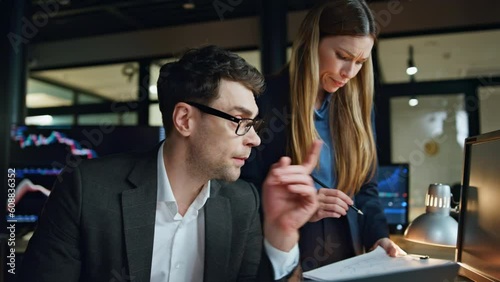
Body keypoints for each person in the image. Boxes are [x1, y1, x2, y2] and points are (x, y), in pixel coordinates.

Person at [18, 45, 322, 282]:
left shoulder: (243, 201)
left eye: (254, 123)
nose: (254, 139)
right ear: (184, 119)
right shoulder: (88, 190)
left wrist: (282, 231)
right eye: (240, 121)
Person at [240, 0, 405, 272]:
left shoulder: (360, 110)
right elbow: (238, 189)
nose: (349, 73)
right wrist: (298, 206)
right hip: (281, 256)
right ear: (311, 43)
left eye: (360, 62)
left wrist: (378, 237)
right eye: (342, 56)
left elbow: (366, 190)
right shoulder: (264, 100)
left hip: (347, 256)